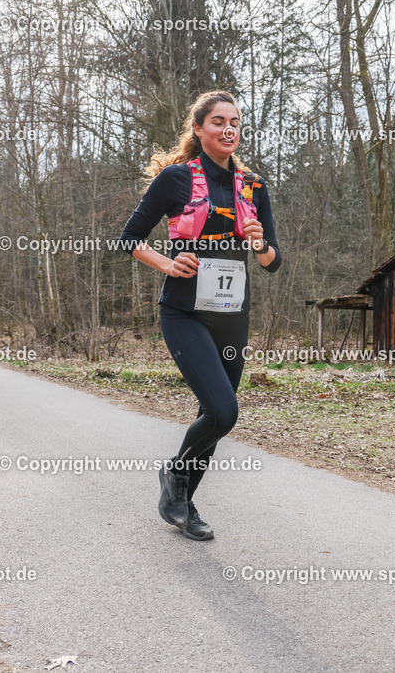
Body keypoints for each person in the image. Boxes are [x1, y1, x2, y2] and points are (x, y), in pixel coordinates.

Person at [117, 90, 282, 540]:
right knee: (222, 411)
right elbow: (129, 238)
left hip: (232, 314)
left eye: (235, 122)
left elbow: (273, 261)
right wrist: (169, 264)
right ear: (198, 128)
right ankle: (176, 477)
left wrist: (259, 243)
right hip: (184, 313)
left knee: (214, 415)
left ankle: (182, 500)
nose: (228, 129)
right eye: (218, 121)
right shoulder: (175, 179)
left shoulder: (253, 186)